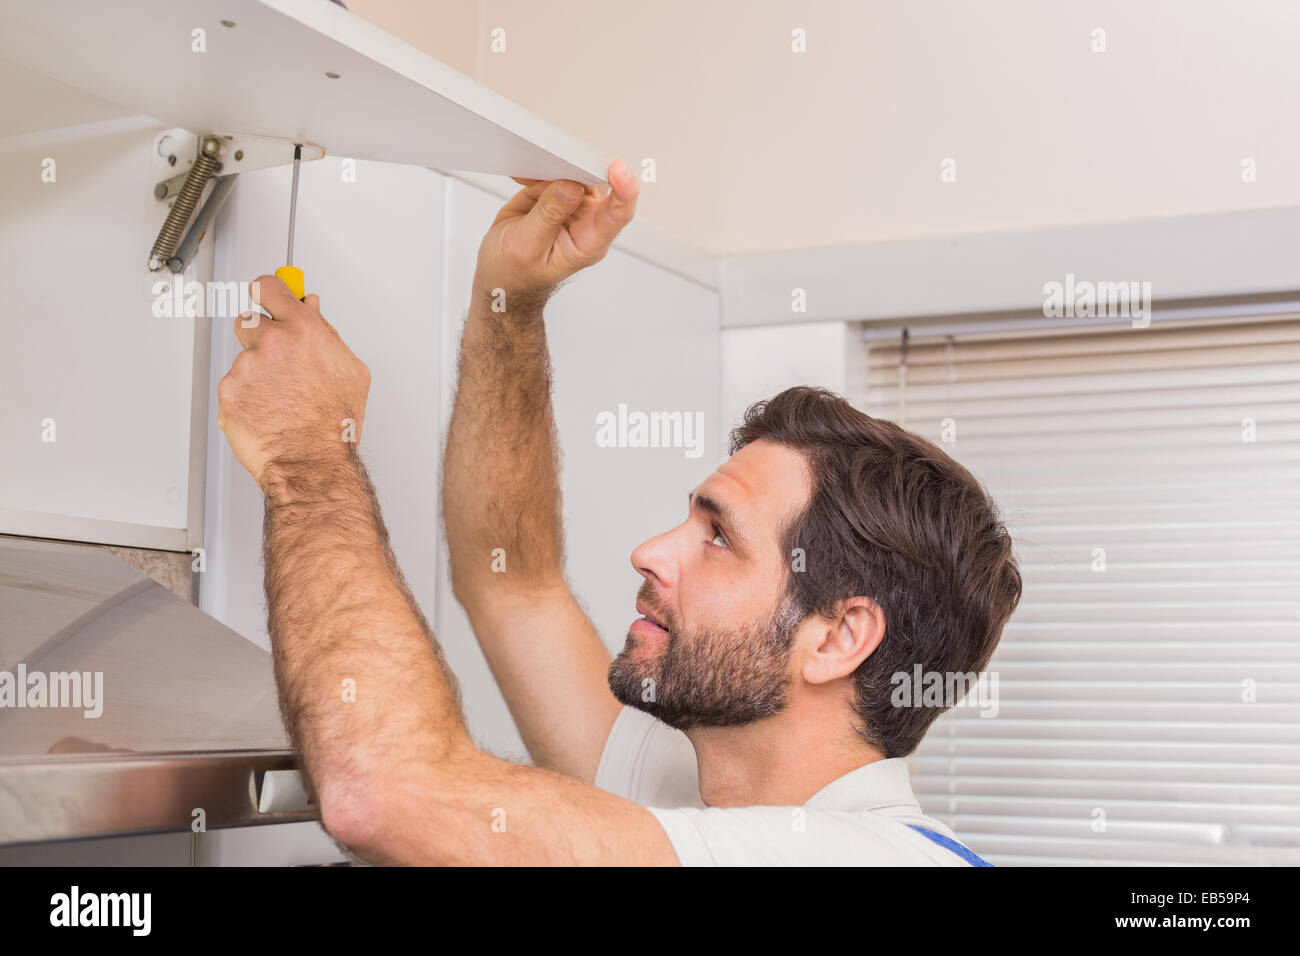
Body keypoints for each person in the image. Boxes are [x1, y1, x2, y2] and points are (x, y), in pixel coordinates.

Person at [216, 158, 1021, 865]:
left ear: (839, 637)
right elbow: (512, 580)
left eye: (719, 536)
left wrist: (305, 457)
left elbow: (382, 794)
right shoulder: (693, 795)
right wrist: (508, 303)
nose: (650, 551)